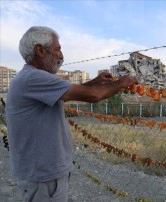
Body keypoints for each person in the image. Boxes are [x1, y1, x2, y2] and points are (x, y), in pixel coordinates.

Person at [5, 26, 137, 202]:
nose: (61, 55)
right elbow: (93, 95)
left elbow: (70, 93)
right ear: (40, 50)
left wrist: (95, 82)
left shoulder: (32, 79)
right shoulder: (33, 78)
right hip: (43, 177)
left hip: (43, 173)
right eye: (58, 49)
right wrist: (122, 83)